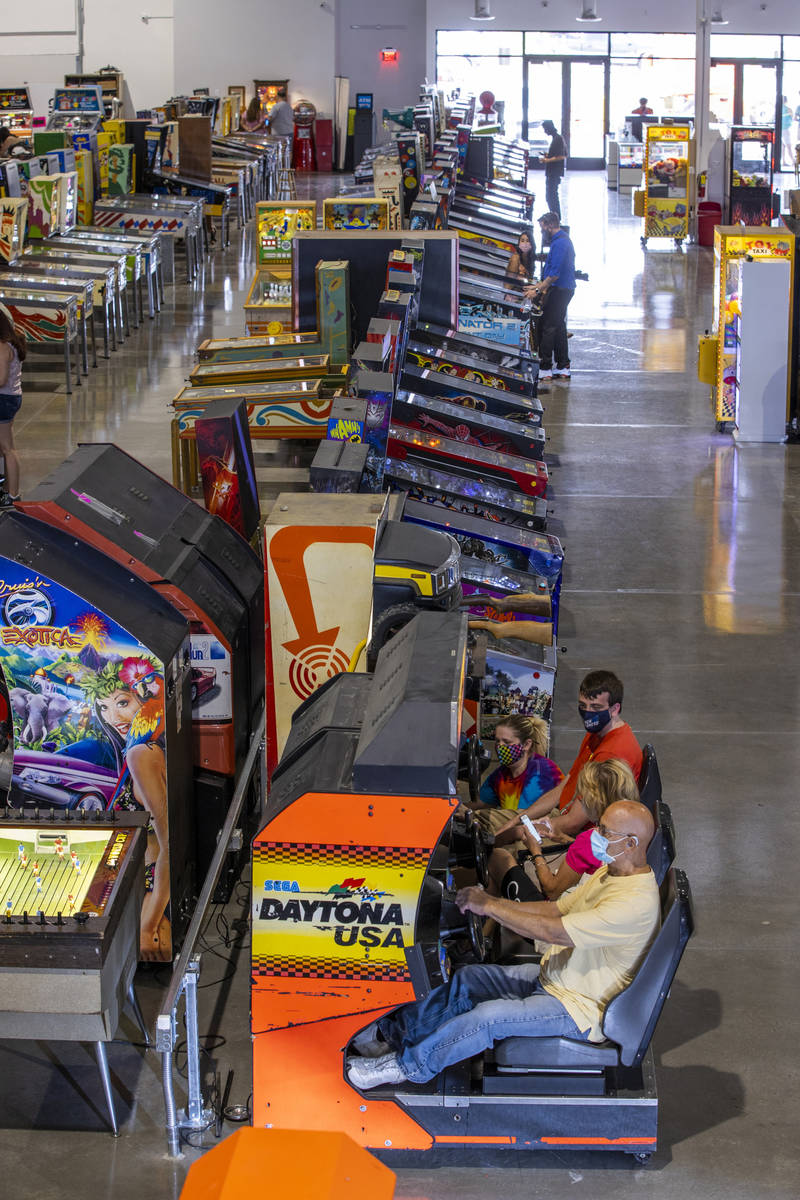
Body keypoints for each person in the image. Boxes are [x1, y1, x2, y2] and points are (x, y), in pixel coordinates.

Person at [346, 799, 658, 1089]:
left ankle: (408, 1066)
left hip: (578, 1009)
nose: (595, 835)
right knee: (469, 979)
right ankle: (393, 1035)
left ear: (630, 843)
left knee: (486, 1019)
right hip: (556, 980)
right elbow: (555, 909)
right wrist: (492, 902)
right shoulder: (609, 872)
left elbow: (556, 932)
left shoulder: (633, 903)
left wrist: (492, 908)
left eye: (604, 831)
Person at [493, 669, 643, 848]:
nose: (588, 713)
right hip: (559, 815)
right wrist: (520, 818)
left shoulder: (611, 755)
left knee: (501, 851)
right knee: (487, 823)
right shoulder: (596, 733)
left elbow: (574, 822)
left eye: (595, 708)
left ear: (615, 708)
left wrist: (521, 830)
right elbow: (566, 784)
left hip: (581, 835)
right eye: (583, 706)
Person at [85, 658, 171, 961]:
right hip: (144, 890)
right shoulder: (150, 749)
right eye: (104, 708)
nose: (114, 717)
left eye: (122, 702)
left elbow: (169, 846)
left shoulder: (140, 754)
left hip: (150, 894)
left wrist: (147, 925)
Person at [494, 757, 640, 901]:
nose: (581, 799)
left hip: (561, 913)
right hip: (607, 901)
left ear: (595, 801)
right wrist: (563, 838)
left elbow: (551, 890)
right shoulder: (636, 832)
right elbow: (591, 860)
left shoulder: (589, 841)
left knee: (500, 857)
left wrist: (535, 851)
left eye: (584, 795)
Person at [467, 714, 563, 836]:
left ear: (526, 745)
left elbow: (520, 817)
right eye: (497, 741)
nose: (499, 746)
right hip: (514, 832)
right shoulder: (501, 774)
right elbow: (480, 803)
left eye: (506, 742)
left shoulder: (544, 773)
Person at [525, 212, 574, 381]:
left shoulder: (560, 244)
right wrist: (537, 286)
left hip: (560, 290)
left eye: (542, 228)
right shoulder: (559, 241)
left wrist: (537, 291)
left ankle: (545, 367)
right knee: (559, 326)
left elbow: (554, 275)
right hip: (561, 289)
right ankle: (563, 365)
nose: (541, 232)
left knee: (548, 327)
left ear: (550, 225)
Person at [0, 305, 26, 507]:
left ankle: (13, 495)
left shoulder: (2, 347)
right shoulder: (15, 340)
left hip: (3, 399)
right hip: (13, 396)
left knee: (8, 449)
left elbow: (0, 379)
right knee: (6, 446)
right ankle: (8, 489)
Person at [539, 119, 567, 219]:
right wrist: (547, 155)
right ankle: (554, 216)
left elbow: (561, 156)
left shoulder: (558, 139)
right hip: (552, 171)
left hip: (554, 172)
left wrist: (546, 160)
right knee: (550, 195)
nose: (544, 131)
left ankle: (556, 217)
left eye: (545, 129)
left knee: (551, 196)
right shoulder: (556, 138)